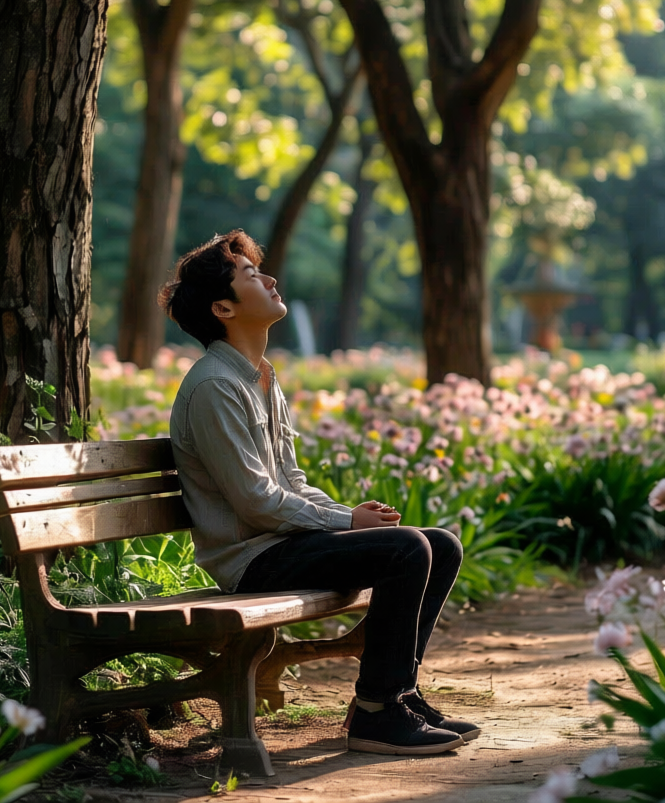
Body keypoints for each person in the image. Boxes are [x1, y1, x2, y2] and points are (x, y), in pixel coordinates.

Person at [159, 230, 480, 756]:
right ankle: (378, 714)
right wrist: (346, 524)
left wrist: (347, 514)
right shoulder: (215, 386)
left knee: (440, 543)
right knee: (408, 549)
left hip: (281, 545)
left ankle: (396, 694)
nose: (270, 278)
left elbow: (291, 481)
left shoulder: (261, 377)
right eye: (250, 276)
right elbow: (257, 502)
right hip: (253, 560)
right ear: (223, 307)